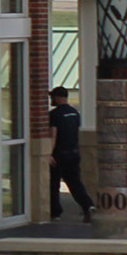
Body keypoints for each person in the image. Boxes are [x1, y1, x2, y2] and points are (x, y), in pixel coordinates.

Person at [46, 85, 91, 225]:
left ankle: (55, 213)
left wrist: (49, 154)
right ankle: (88, 206)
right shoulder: (75, 113)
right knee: (75, 183)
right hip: (74, 153)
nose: (51, 99)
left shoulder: (55, 114)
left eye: (52, 97)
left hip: (59, 155)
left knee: (54, 184)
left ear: (57, 98)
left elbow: (53, 135)